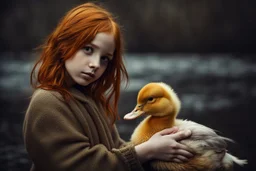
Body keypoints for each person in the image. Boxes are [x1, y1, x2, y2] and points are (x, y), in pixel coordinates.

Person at [23, 2, 193, 171]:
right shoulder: (46, 102)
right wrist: (146, 151)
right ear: (64, 44)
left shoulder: (90, 98)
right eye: (88, 49)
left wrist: (157, 147)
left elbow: (115, 148)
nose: (96, 64)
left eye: (105, 58)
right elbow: (80, 165)